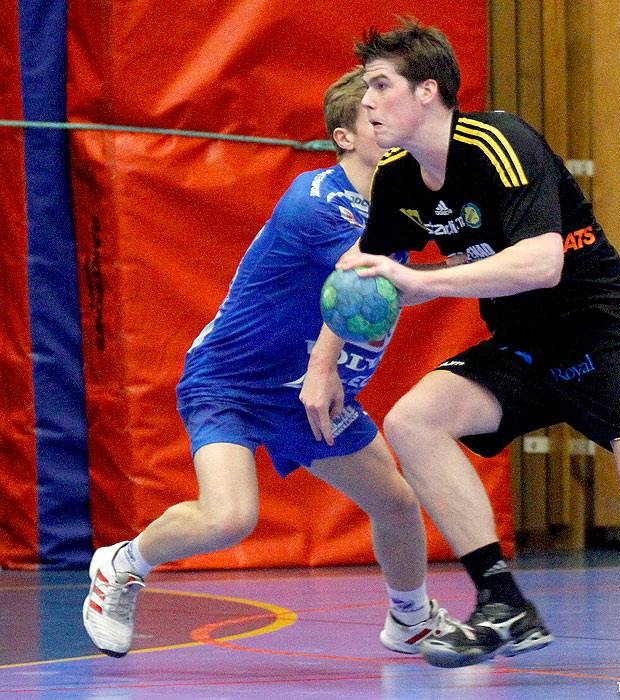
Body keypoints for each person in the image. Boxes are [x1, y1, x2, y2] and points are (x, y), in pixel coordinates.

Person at [303, 20, 620, 678]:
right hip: (523, 347)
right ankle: (502, 601)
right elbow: (363, 271)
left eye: (382, 85)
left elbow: (543, 263)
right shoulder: (399, 183)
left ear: (428, 91)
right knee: (414, 420)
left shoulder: (500, 141)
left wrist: (426, 283)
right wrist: (323, 363)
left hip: (600, 333)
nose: (369, 100)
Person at [82, 67, 459, 659]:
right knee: (230, 518)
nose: (391, 122)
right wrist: (494, 273)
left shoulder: (402, 208)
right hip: (232, 384)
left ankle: (410, 618)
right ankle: (123, 566)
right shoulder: (317, 202)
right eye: (373, 113)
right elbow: (372, 284)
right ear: (345, 136)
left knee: (396, 503)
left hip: (313, 391)